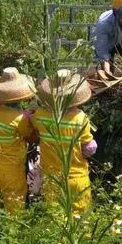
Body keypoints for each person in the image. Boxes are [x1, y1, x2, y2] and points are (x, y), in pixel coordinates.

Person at [32, 70, 97, 213]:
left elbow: (33, 129)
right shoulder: (80, 118)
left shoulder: (40, 116)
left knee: (56, 215)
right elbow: (89, 148)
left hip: (52, 178)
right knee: (81, 216)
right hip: (76, 176)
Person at [0, 67, 35, 215]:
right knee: (14, 206)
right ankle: (13, 235)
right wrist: (30, 118)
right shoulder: (19, 119)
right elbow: (31, 136)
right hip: (10, 171)